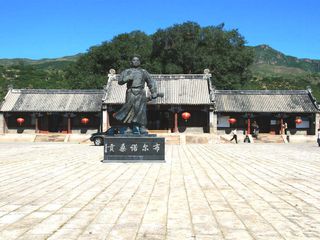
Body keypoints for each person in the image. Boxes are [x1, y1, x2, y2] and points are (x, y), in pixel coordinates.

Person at [113, 56, 158, 134]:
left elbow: (151, 82)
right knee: (129, 109)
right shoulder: (126, 71)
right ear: (131, 62)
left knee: (141, 110)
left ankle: (142, 127)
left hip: (141, 92)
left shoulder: (144, 72)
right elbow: (120, 81)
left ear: (140, 62)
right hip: (130, 92)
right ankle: (129, 127)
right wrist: (128, 78)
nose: (135, 62)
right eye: (134, 60)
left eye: (137, 60)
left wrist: (153, 91)